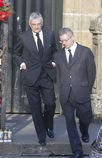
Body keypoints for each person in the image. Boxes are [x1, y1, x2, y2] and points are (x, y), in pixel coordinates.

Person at [14, 12, 57, 146]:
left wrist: (55, 61)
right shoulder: (23, 37)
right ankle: (42, 137)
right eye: (33, 25)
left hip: (46, 75)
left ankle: (48, 125)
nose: (36, 27)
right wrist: (21, 63)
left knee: (50, 104)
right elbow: (16, 54)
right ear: (29, 24)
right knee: (36, 109)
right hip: (30, 77)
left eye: (38, 24)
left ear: (42, 23)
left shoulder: (50, 35)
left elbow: (55, 51)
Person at [54, 27, 96, 158]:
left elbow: (91, 74)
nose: (63, 43)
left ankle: (84, 131)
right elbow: (58, 74)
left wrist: (86, 89)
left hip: (81, 91)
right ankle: (77, 150)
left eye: (66, 40)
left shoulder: (85, 52)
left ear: (72, 38)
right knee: (70, 122)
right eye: (61, 41)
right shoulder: (58, 55)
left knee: (85, 118)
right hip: (66, 94)